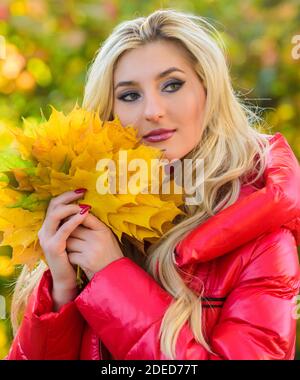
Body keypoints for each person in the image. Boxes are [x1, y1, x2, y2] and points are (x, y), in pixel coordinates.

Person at [5, 9, 300, 360]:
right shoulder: (90, 215)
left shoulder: (264, 241)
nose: (153, 111)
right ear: (108, 112)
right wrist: (63, 291)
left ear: (208, 92)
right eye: (130, 95)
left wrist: (112, 277)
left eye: (172, 85)